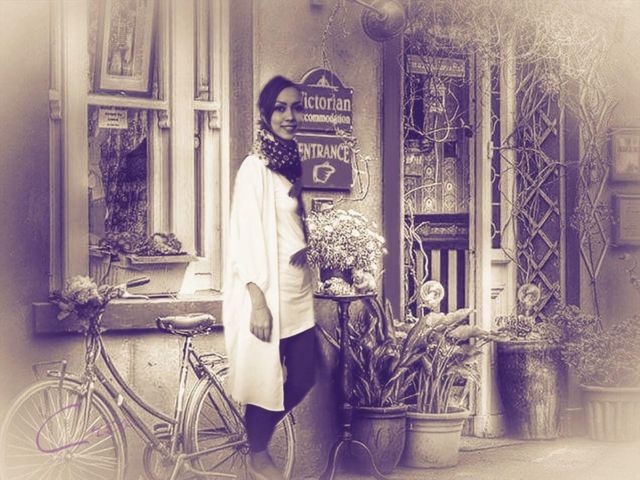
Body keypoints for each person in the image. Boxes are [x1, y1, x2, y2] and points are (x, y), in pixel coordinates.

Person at [223, 76, 316, 480]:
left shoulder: (292, 165)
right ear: (265, 113)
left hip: (299, 296)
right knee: (266, 380)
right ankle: (257, 451)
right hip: (270, 297)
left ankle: (254, 441)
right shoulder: (255, 167)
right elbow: (243, 236)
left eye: (296, 107)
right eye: (280, 107)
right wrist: (257, 301)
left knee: (305, 375)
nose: (289, 115)